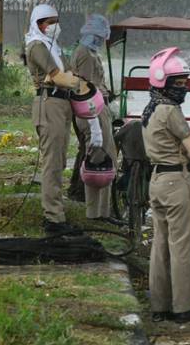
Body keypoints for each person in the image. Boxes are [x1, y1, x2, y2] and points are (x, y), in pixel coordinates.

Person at [142, 47, 190, 323]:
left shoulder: (151, 108)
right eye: (178, 83)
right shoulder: (171, 111)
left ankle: (160, 307)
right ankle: (182, 308)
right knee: (180, 247)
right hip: (175, 181)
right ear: (164, 82)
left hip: (156, 181)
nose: (183, 88)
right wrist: (189, 152)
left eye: (184, 82)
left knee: (160, 246)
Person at [25, 4, 83, 235]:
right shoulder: (37, 45)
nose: (54, 27)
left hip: (62, 104)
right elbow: (61, 77)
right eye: (50, 22)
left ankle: (57, 214)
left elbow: (68, 74)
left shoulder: (54, 47)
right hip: (49, 104)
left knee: (59, 161)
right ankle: (53, 219)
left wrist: (68, 79)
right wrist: (71, 81)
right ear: (40, 24)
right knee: (52, 164)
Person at [70, 14, 121, 225]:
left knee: (95, 158)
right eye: (99, 36)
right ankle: (100, 213)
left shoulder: (88, 53)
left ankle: (99, 211)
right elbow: (85, 88)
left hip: (97, 108)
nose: (100, 41)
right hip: (92, 110)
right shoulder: (85, 55)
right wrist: (93, 122)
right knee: (102, 158)